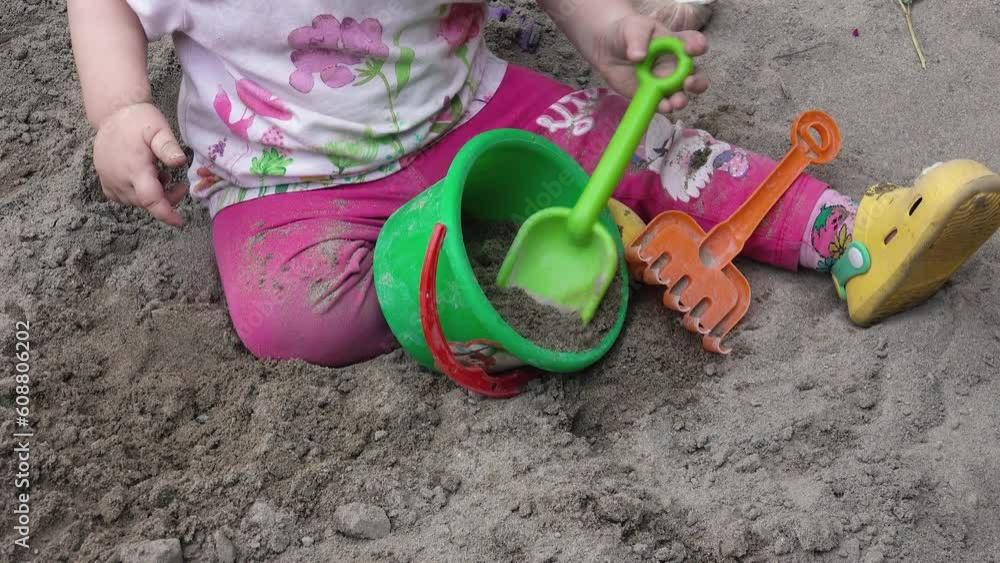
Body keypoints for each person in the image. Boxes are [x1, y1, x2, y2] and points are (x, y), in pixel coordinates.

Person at [68, 1, 1000, 367]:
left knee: (651, 151)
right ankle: (501, 261)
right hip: (289, 175)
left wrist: (601, 34)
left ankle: (848, 233)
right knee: (292, 321)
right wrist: (116, 108)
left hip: (474, 107)